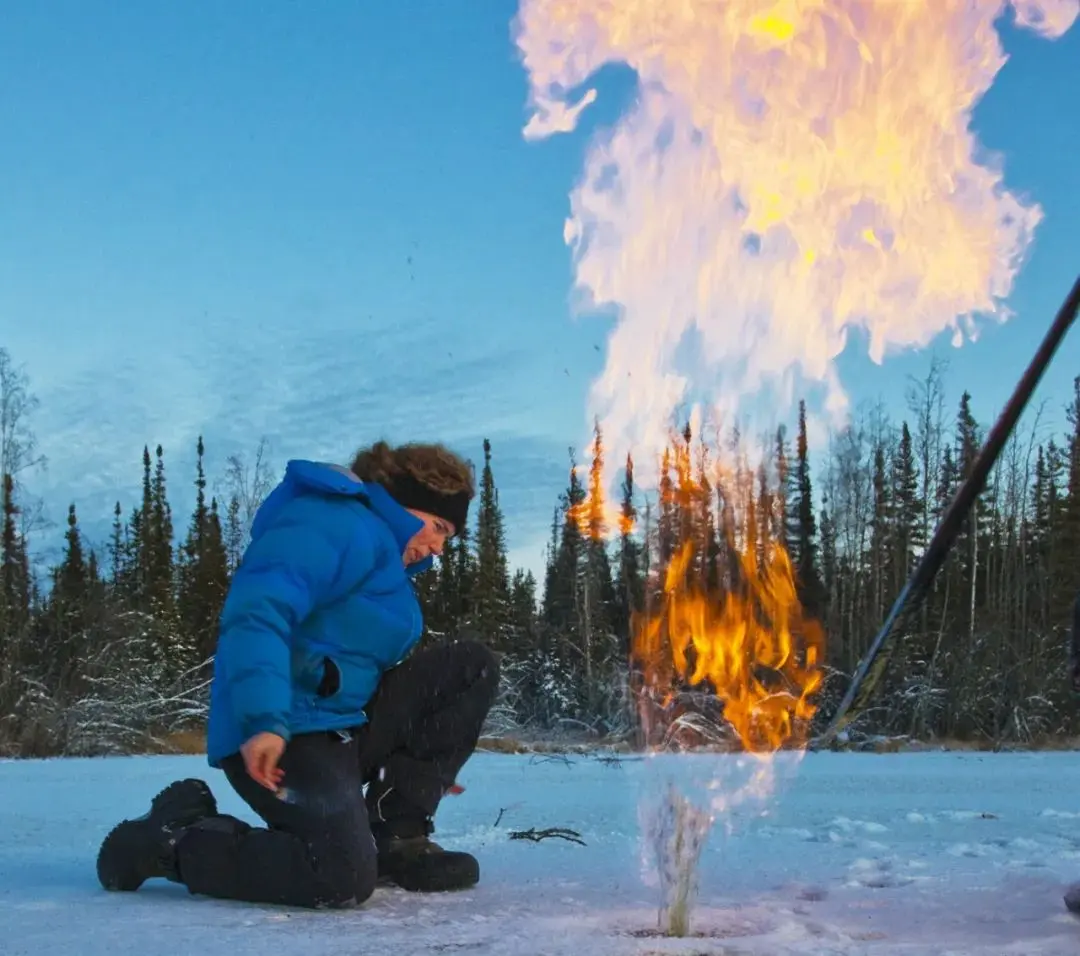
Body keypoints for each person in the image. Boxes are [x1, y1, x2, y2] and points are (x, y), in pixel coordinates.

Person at [95, 441, 499, 909]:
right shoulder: (333, 522)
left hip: (341, 725)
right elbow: (258, 612)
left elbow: (359, 664)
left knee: (469, 668)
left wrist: (424, 758)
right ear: (404, 501)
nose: (438, 547)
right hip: (289, 728)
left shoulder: (384, 558)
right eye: (438, 527)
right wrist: (262, 719)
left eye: (449, 537)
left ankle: (396, 836)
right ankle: (170, 840)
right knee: (338, 876)